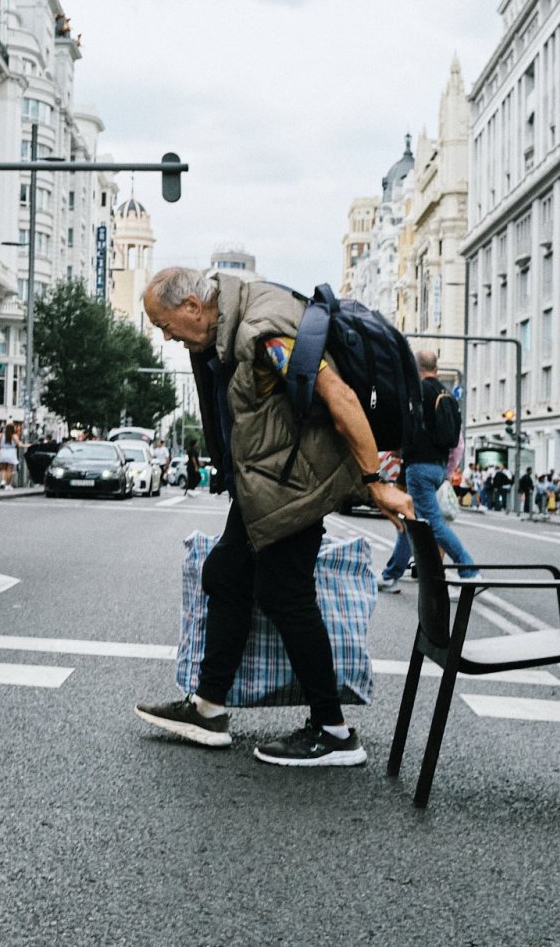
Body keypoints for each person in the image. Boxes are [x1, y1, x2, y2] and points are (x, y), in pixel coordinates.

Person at [133, 267, 412, 766]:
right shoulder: (234, 323)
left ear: (193, 307)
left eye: (165, 324)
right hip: (266, 485)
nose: (167, 337)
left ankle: (334, 732)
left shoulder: (264, 332)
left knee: (285, 593)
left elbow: (339, 396)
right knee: (227, 574)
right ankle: (208, 707)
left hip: (294, 486)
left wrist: (376, 482)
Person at [376, 350, 478, 594]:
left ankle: (469, 571)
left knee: (432, 524)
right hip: (438, 467)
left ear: (415, 367)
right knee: (409, 519)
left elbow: (404, 428)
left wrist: (397, 449)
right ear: (436, 368)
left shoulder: (417, 393)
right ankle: (391, 575)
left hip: (418, 467)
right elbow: (456, 440)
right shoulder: (446, 393)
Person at [0, 422, 20, 488]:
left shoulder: (1, 435)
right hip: (11, 452)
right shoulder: (14, 435)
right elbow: (19, 444)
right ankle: (8, 484)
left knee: (3, 468)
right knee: (9, 469)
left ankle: (3, 481)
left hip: (3, 451)